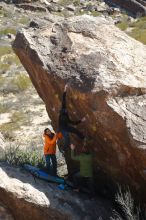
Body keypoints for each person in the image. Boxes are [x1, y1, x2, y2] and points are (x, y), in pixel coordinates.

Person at [58, 84, 85, 151]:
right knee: (67, 137)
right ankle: (63, 149)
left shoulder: (65, 115)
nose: (66, 110)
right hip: (62, 129)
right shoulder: (62, 114)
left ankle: (83, 138)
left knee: (76, 131)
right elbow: (63, 102)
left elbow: (73, 123)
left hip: (66, 127)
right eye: (65, 111)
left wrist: (65, 89)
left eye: (66, 110)